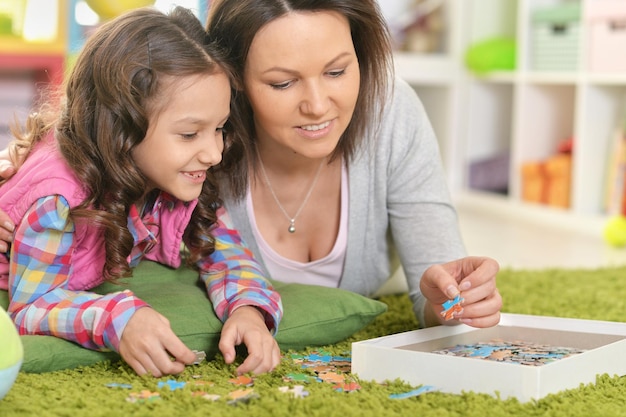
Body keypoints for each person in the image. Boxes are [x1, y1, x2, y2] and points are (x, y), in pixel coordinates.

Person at [0, 0, 501, 330]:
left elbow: (436, 291)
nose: (318, 105)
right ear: (232, 82)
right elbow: (70, 161)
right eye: (282, 83)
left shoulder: (389, 110)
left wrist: (451, 302)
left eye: (337, 71)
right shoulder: (193, 134)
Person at [0, 6, 282, 378]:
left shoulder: (174, 174)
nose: (214, 153)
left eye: (219, 128)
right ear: (121, 127)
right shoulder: (57, 199)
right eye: (188, 133)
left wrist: (248, 309)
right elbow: (32, 303)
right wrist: (117, 318)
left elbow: (226, 251)